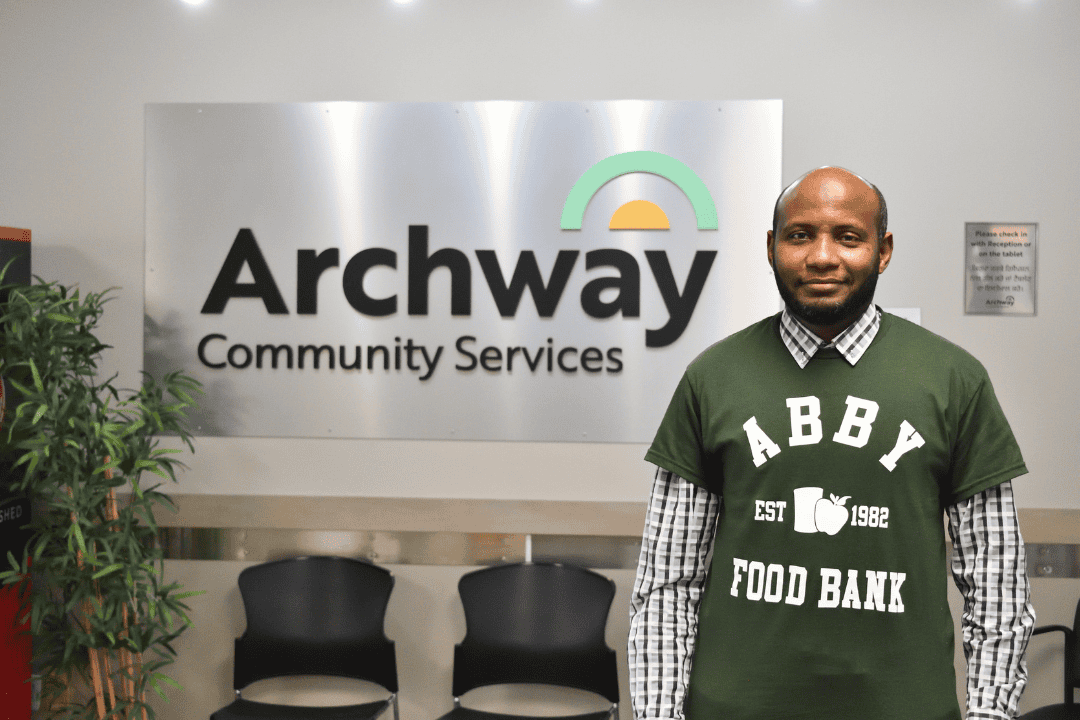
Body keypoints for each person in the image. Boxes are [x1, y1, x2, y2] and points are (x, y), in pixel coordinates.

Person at [628, 167, 1034, 720]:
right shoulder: (712, 378)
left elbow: (996, 586)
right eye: (799, 235)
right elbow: (667, 586)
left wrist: (989, 715)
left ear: (883, 250)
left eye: (848, 236)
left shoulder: (955, 381)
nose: (822, 256)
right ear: (771, 248)